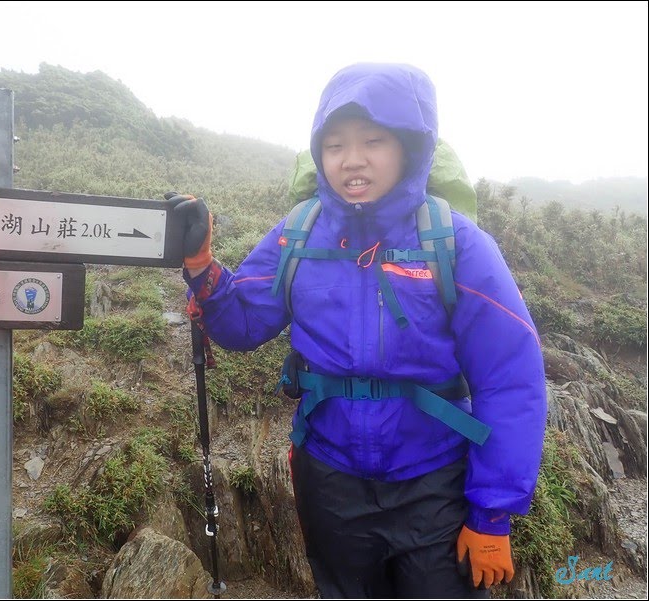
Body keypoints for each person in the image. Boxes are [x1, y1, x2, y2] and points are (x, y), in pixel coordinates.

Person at [171, 62, 547, 598]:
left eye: (373, 141)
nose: (352, 159)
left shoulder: (454, 242)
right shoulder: (298, 233)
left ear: (409, 148)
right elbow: (243, 323)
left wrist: (492, 513)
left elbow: (510, 378)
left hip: (435, 481)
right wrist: (202, 268)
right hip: (330, 480)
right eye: (335, 145)